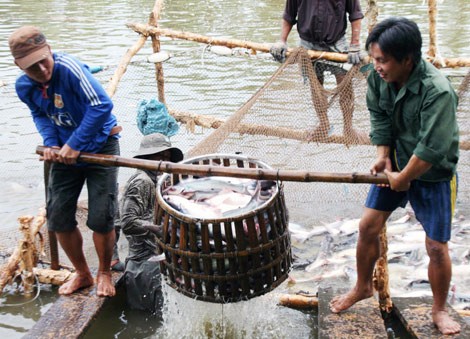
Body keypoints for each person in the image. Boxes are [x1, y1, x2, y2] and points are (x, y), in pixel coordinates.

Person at [329, 17, 461, 335]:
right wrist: (383, 156)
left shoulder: (438, 91)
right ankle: (363, 286)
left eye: (383, 60)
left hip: (434, 174)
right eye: (374, 58)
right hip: (396, 163)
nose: (376, 66)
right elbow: (379, 116)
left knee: (435, 246)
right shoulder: (379, 78)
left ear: (407, 60)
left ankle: (440, 309)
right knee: (367, 226)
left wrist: (405, 178)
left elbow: (432, 147)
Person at [9, 26, 121, 297]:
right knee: (58, 217)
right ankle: (83, 274)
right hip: (64, 153)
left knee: (101, 217)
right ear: (19, 66)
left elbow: (101, 106)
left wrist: (75, 144)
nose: (42, 71)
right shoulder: (24, 86)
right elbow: (40, 114)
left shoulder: (70, 68)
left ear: (49, 51)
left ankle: (104, 272)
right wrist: (52, 143)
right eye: (32, 68)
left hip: (101, 146)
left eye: (43, 62)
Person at [270, 0, 365, 142]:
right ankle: (324, 123)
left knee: (345, 86)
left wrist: (355, 44)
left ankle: (348, 127)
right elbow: (289, 15)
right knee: (316, 86)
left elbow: (355, 14)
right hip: (307, 44)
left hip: (336, 43)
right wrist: (282, 40)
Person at [119, 133, 183, 313]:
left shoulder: (157, 180)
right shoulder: (142, 181)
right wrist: (159, 229)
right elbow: (128, 222)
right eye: (159, 157)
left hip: (155, 260)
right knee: (148, 317)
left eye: (167, 157)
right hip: (143, 264)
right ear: (146, 158)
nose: (163, 162)